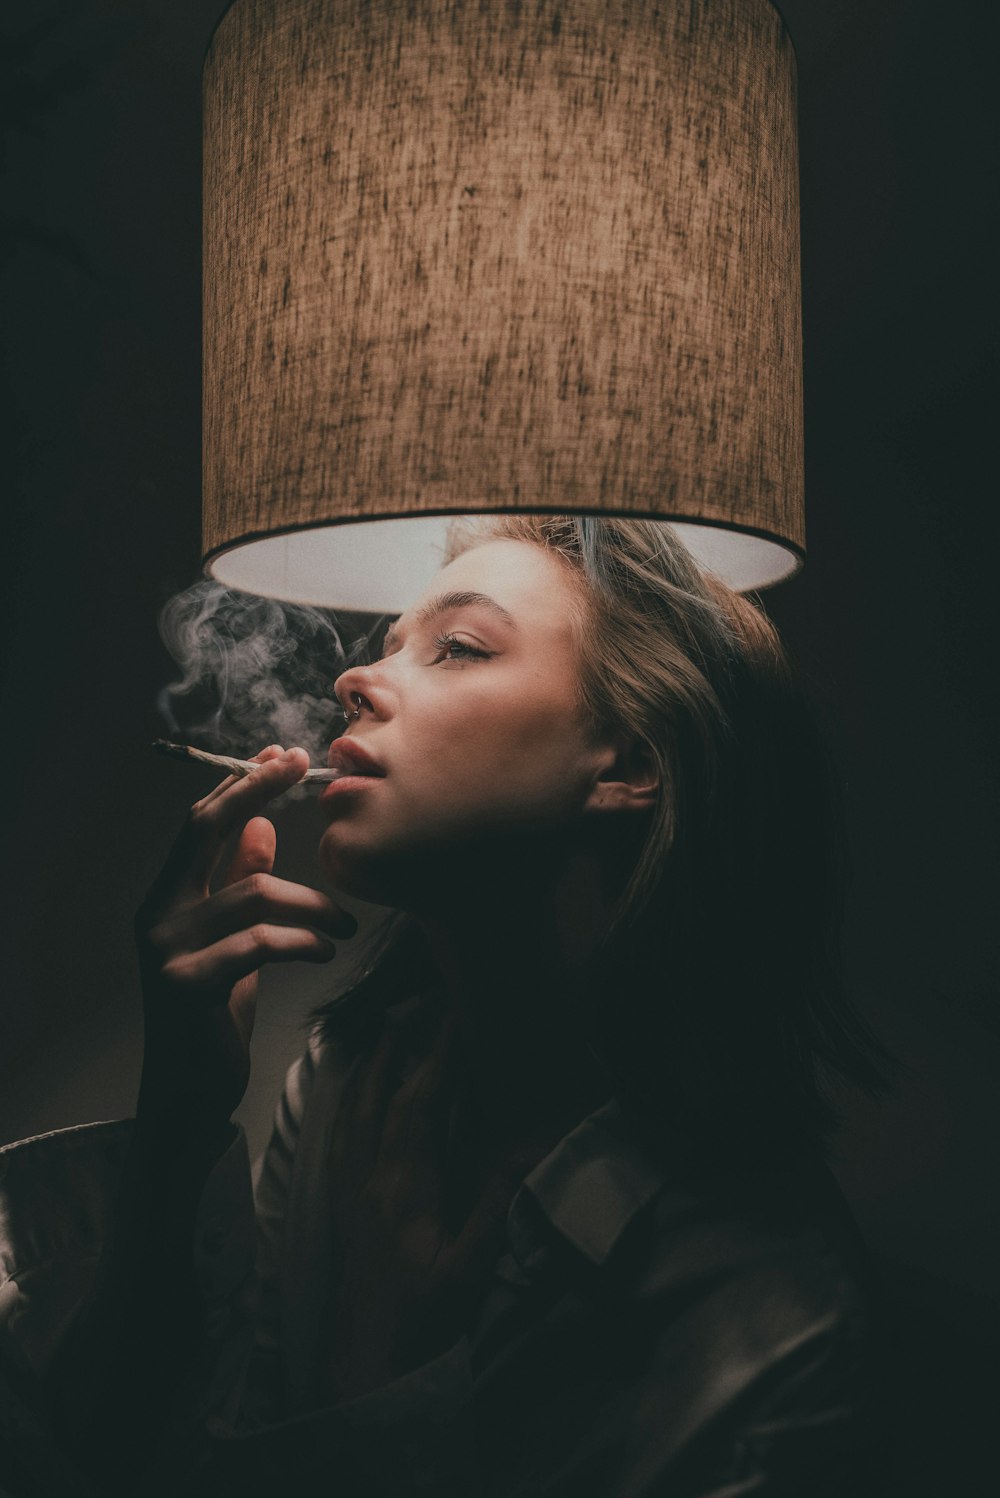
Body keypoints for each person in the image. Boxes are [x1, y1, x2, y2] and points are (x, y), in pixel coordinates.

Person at [0, 516, 890, 1496]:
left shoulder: (764, 1313)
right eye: (385, 648)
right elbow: (134, 1458)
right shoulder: (345, 1086)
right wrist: (176, 1124)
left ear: (629, 760)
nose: (354, 681)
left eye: (457, 647)